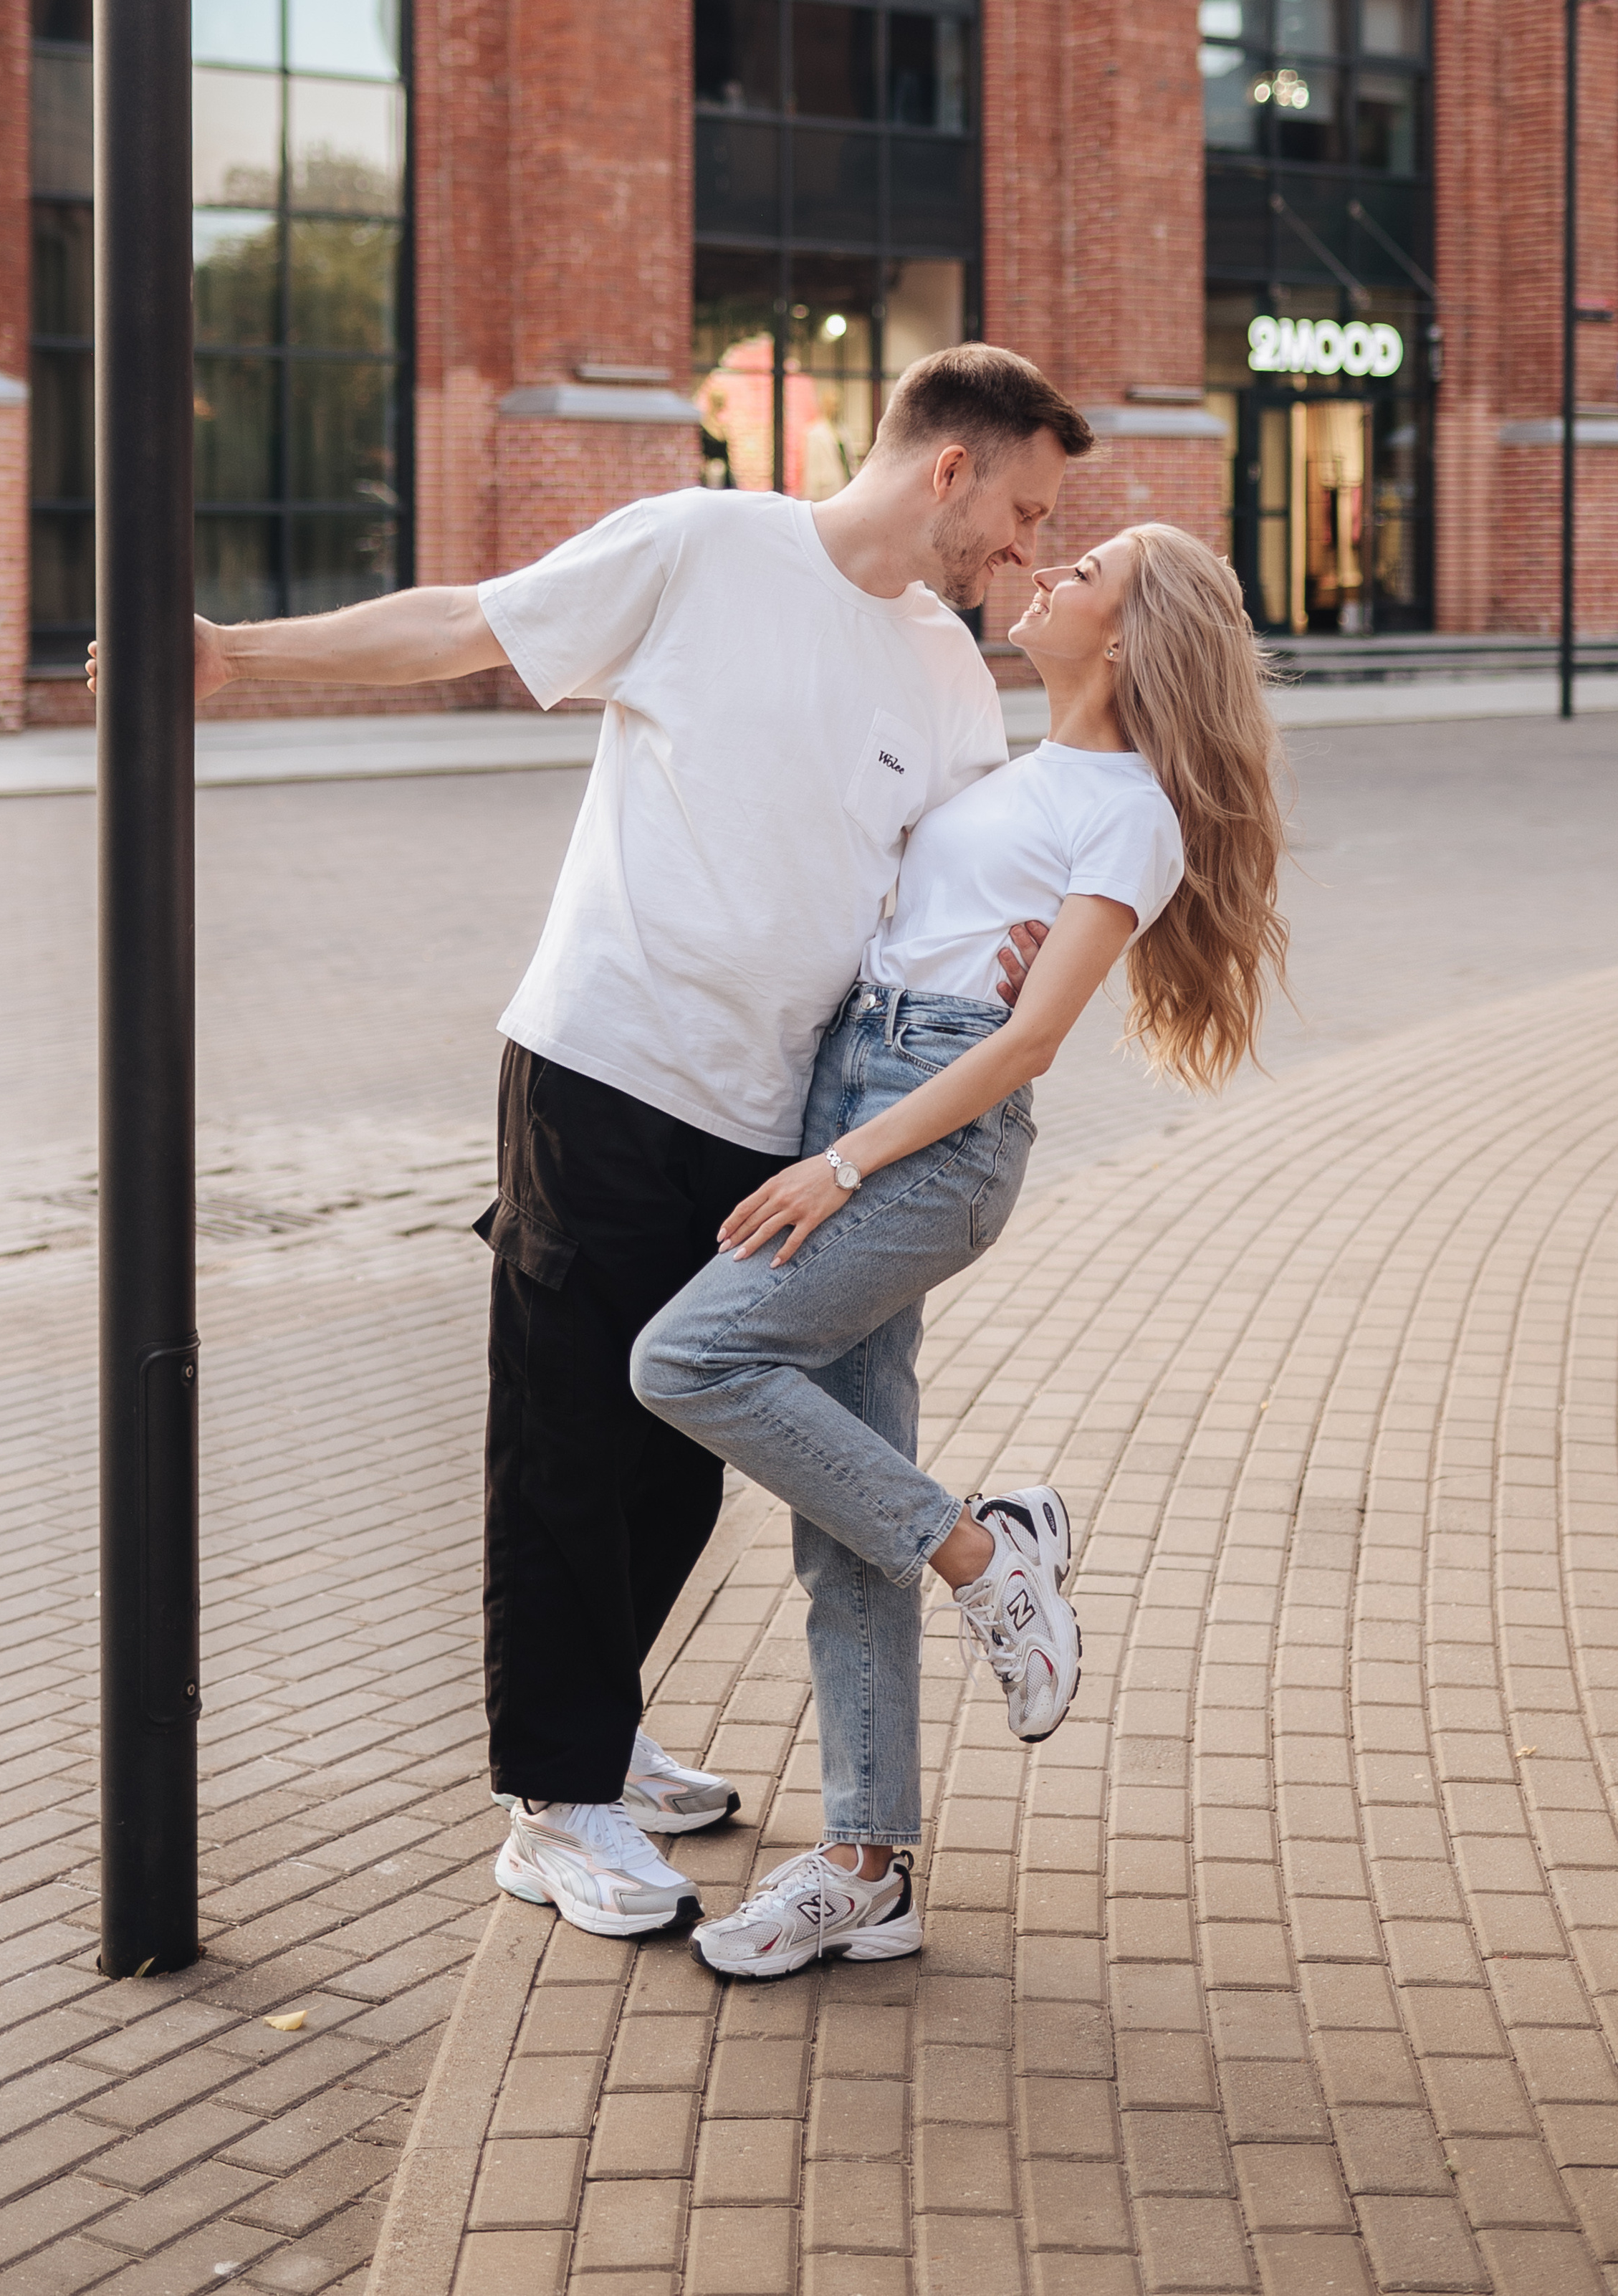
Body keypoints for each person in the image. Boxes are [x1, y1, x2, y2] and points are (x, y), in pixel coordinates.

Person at [90, 344, 1095, 1941]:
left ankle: (602, 1734)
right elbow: (470, 623)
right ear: (949, 470)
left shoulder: (950, 675)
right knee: (566, 1436)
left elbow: (958, 878)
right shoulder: (705, 548)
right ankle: (549, 1804)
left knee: (680, 1453)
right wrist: (236, 652)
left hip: (777, 1122)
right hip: (606, 1065)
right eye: (1025, 510)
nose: (1028, 552)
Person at [628, 523, 1289, 1977]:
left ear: (1125, 639)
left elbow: (1033, 1033)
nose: (1046, 579)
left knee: (685, 1354)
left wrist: (842, 1158)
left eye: (1085, 574)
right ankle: (868, 1864)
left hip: (923, 1142)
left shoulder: (1130, 810)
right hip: (859, 1087)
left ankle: (985, 1553)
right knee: (836, 1512)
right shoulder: (1013, 769)